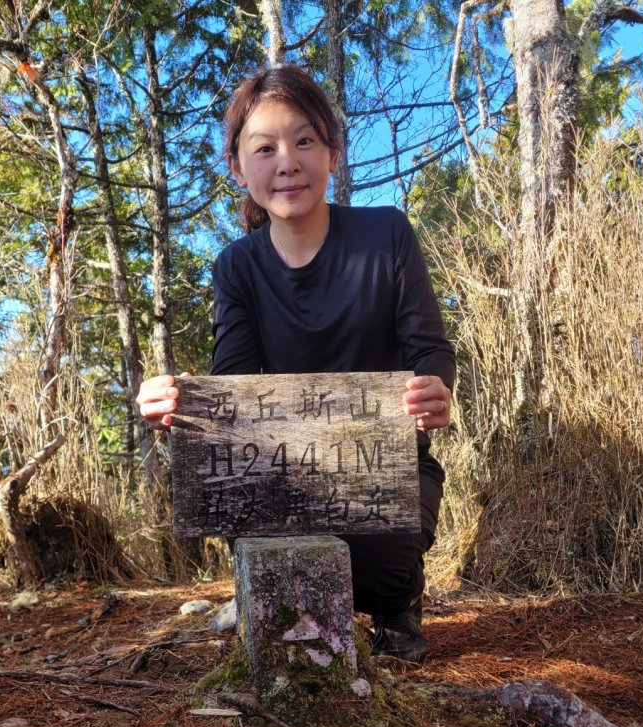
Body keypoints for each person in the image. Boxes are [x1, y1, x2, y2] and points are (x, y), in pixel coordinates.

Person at [135, 65, 454, 663]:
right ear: (238, 168)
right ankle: (265, 592)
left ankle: (398, 605)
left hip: (383, 469)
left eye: (305, 140)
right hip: (283, 473)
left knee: (379, 566)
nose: (287, 161)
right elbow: (232, 380)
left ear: (332, 152)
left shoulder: (386, 234)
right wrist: (179, 404)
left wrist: (436, 388)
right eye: (265, 148)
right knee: (254, 524)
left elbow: (428, 346)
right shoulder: (235, 267)